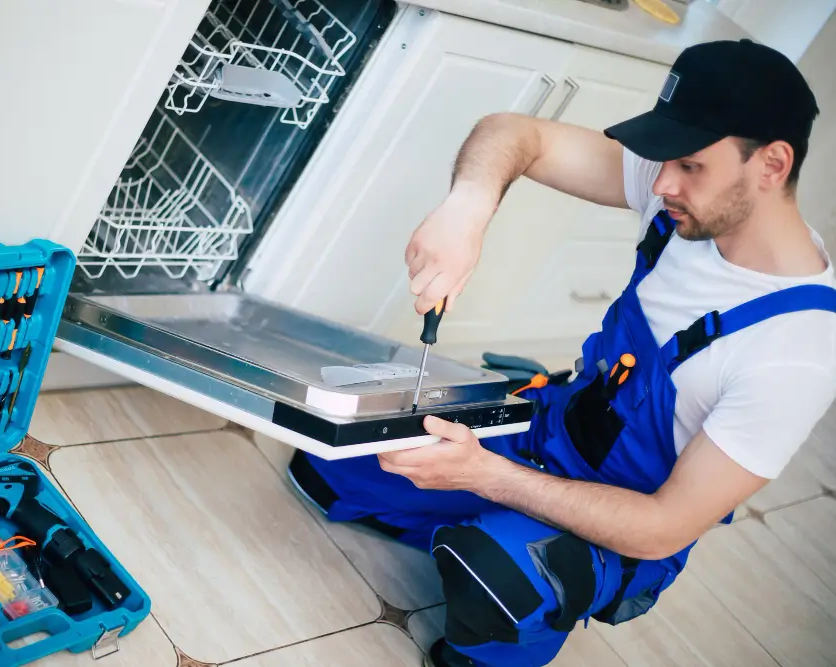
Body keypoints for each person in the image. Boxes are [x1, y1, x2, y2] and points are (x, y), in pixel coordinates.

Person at [286, 38, 836, 667]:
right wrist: (467, 210)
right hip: (550, 433)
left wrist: (483, 475)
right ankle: (463, 517)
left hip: (618, 522)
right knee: (327, 457)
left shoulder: (796, 354)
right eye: (663, 160)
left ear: (771, 165)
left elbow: (663, 528)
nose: (660, 183)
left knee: (497, 577)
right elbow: (514, 132)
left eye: (688, 164)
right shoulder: (686, 201)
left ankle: (513, 584)